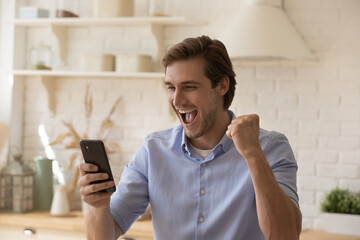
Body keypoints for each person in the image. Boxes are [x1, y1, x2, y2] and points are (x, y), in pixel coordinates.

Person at [78, 35, 302, 240]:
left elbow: (285, 235)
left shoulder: (270, 148)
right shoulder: (153, 150)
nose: (177, 100)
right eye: (171, 88)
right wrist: (98, 206)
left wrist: (253, 155)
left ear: (222, 85)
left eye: (189, 87)